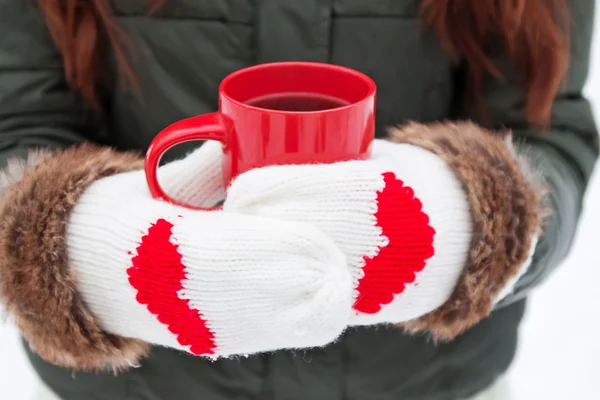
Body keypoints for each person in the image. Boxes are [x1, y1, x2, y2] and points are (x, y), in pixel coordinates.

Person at [0, 0, 597, 399]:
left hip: (427, 384)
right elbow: (22, 118)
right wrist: (73, 241)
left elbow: (546, 129)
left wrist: (477, 222)